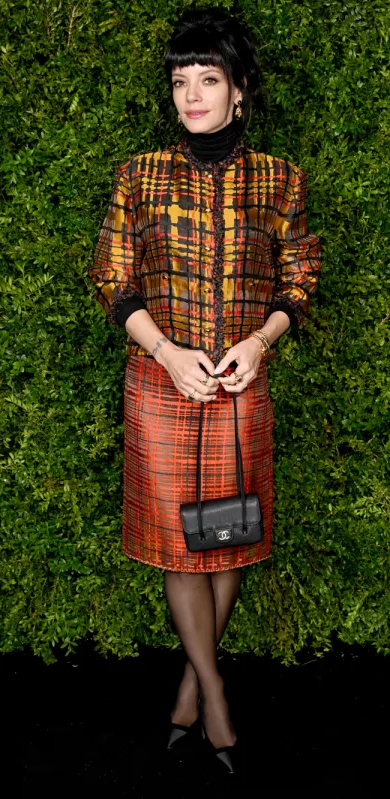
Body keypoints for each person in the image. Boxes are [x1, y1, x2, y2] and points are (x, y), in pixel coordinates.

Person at [88, 8, 320, 775]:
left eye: (208, 80)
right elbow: (111, 277)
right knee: (179, 549)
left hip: (239, 386)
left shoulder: (280, 179)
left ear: (239, 89)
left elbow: (300, 276)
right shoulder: (139, 176)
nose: (191, 95)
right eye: (181, 81)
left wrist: (260, 342)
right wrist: (165, 350)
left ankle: (191, 686)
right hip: (161, 385)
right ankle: (217, 698)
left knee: (228, 538)